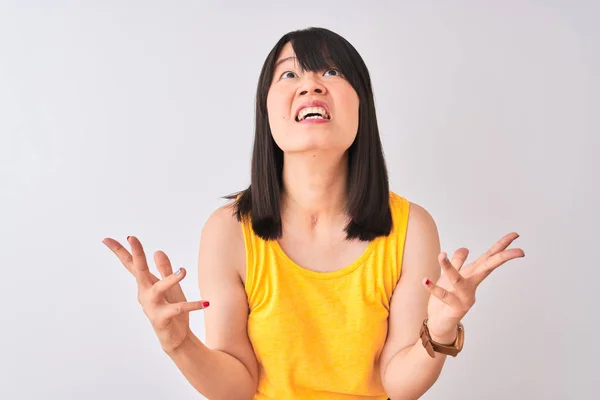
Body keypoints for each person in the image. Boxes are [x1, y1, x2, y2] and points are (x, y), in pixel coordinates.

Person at [102, 27, 525, 400]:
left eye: (332, 73)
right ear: (266, 110)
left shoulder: (411, 227)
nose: (311, 86)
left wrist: (443, 326)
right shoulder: (228, 231)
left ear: (363, 107)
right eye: (290, 74)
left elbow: (400, 385)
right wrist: (178, 341)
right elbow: (236, 388)